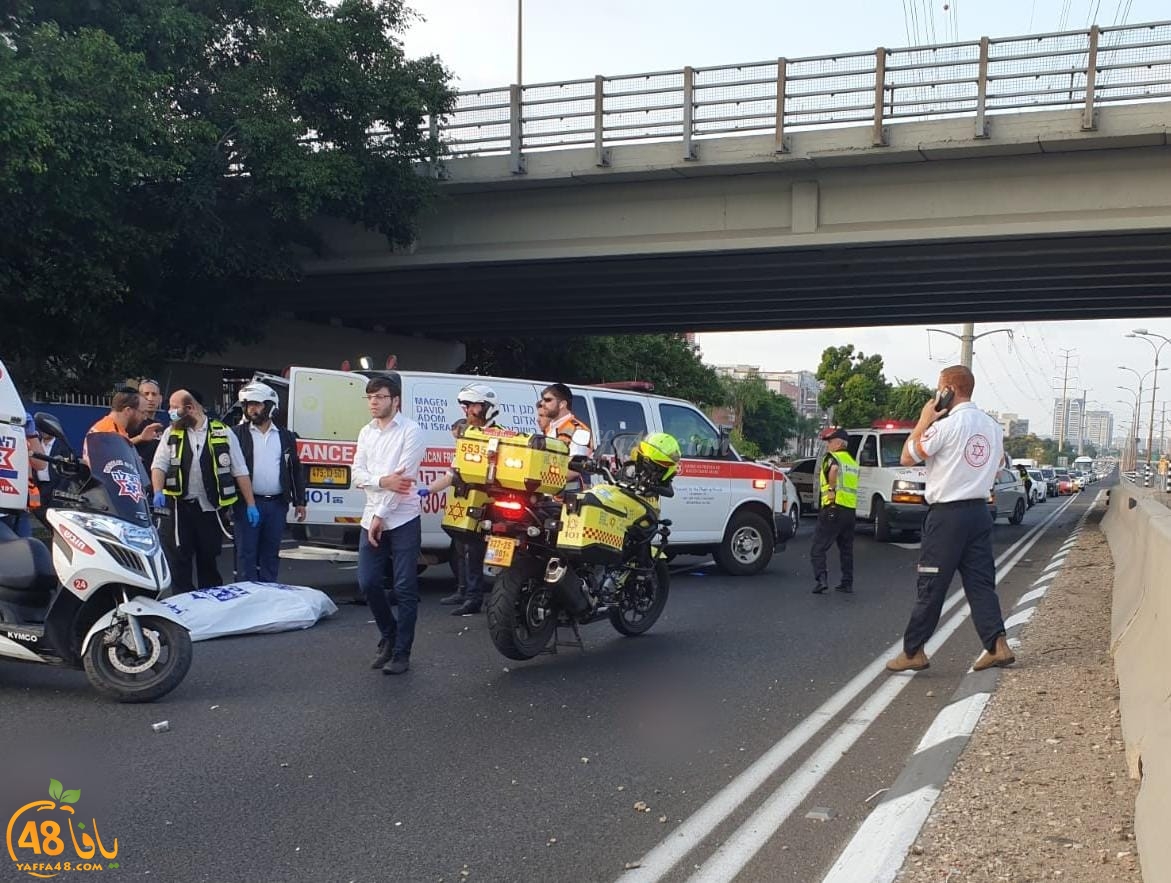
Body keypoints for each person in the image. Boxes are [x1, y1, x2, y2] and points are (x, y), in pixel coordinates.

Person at [887, 365, 1016, 674]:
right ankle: (998, 645)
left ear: (948, 391)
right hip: (980, 513)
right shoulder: (993, 428)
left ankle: (913, 650)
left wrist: (923, 420)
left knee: (931, 585)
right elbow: (997, 465)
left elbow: (908, 456)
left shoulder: (945, 426)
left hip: (947, 517)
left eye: (938, 389)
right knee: (981, 583)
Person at [351, 373, 425, 676]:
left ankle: (402, 652)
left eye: (379, 396)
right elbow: (357, 474)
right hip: (371, 517)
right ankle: (389, 633)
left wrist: (382, 513)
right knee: (368, 582)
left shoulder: (412, 431)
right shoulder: (366, 432)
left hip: (403, 517)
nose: (373, 402)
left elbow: (403, 482)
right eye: (370, 397)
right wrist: (381, 481)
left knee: (405, 586)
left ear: (395, 400)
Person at [150, 389, 258, 592]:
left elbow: (240, 470)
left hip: (210, 508)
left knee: (208, 558)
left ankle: (210, 603)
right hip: (180, 507)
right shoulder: (171, 433)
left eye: (174, 407)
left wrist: (251, 503)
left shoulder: (223, 432)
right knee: (179, 558)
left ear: (189, 408)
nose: (169, 411)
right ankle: (183, 604)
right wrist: (158, 490)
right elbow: (159, 465)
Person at [419, 383, 501, 616]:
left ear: (486, 407)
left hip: (487, 503)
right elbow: (452, 472)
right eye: (465, 406)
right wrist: (427, 490)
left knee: (475, 550)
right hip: (464, 501)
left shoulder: (500, 436)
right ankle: (463, 590)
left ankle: (475, 597)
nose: (466, 410)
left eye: (471, 405)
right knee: (460, 548)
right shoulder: (469, 435)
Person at [231, 381, 307, 583]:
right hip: (247, 504)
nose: (252, 409)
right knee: (246, 553)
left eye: (257, 404)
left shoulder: (285, 436)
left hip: (276, 504)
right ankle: (246, 595)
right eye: (248, 405)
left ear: (270, 406)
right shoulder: (236, 434)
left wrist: (300, 501)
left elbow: (295, 470)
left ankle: (269, 593)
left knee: (270, 552)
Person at [809, 427, 859, 594]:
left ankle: (821, 580)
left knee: (818, 547)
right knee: (846, 549)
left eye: (830, 442)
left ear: (839, 443)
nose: (828, 445)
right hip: (850, 511)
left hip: (833, 507)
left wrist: (831, 492)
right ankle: (847, 582)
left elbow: (834, 469)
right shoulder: (852, 462)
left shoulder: (832, 457)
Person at [539, 382, 592, 491]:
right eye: (543, 400)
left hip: (568, 500)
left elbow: (575, 470)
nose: (542, 403)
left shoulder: (579, 430)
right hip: (551, 495)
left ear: (562, 404)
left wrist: (539, 479)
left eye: (548, 400)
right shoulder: (550, 428)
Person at [134, 378, 165, 464]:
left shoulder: (161, 426)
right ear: (138, 397)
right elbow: (119, 446)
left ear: (160, 399)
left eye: (154, 394)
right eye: (146, 394)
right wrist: (139, 438)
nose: (150, 398)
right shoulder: (131, 422)